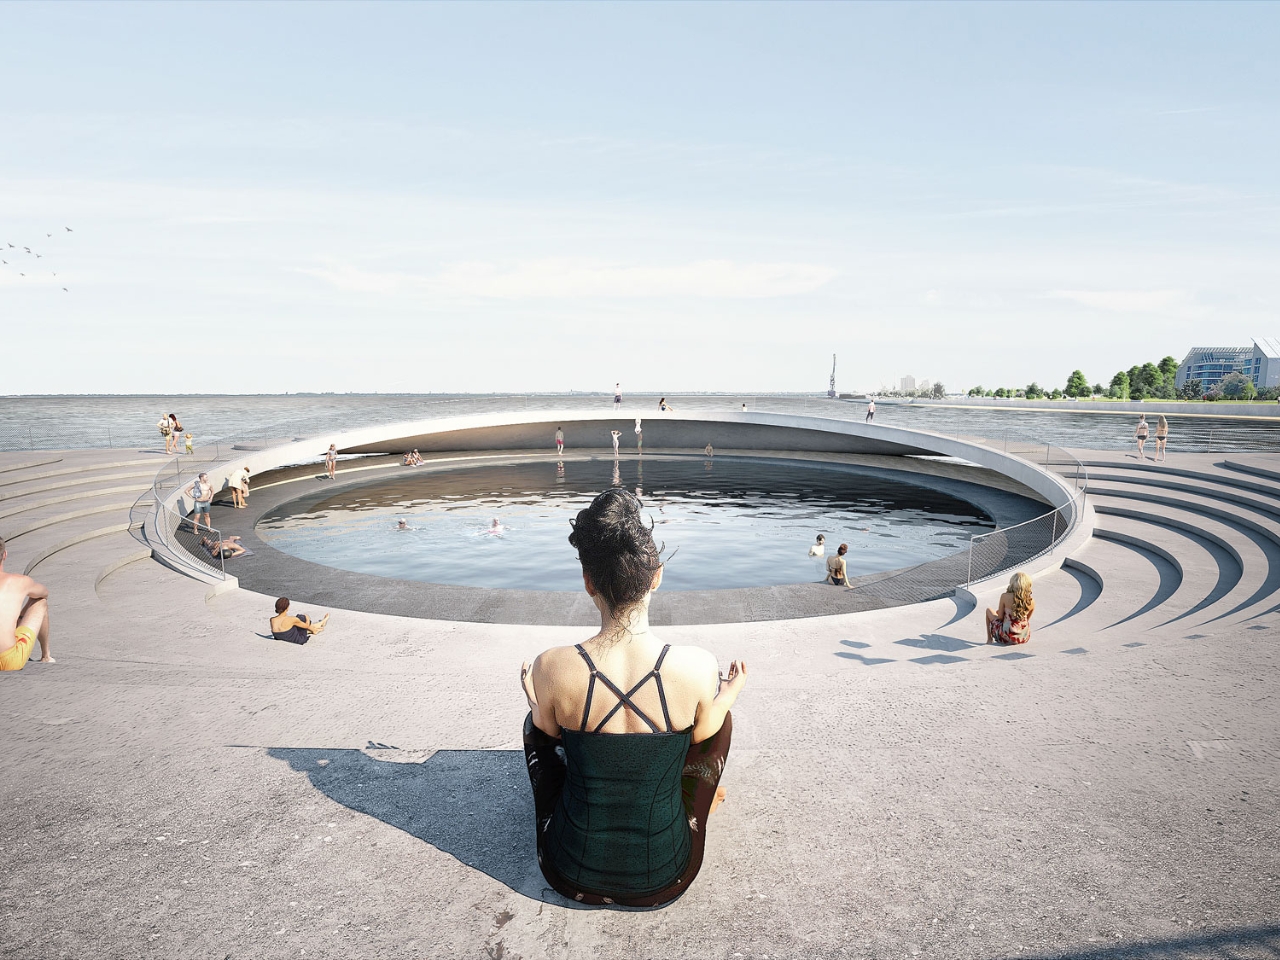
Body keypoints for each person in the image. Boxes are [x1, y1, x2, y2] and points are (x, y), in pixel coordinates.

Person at [520, 488, 746, 907]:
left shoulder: (551, 665)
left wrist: (536, 702)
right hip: (665, 873)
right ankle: (697, 801)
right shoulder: (695, 664)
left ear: (589, 583)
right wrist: (729, 694)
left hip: (568, 871)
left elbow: (546, 734)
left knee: (535, 724)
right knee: (717, 720)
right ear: (656, 575)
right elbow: (706, 733)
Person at [0, 536, 54, 670]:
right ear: (5, 555)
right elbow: (44, 593)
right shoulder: (19, 581)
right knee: (40, 602)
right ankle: (46, 655)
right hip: (8, 660)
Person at [985, 572, 1035, 645]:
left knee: (988, 610)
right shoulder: (1031, 601)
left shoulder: (1005, 596)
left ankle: (989, 639)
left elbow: (1000, 617)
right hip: (1023, 637)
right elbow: (1026, 619)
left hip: (1006, 636)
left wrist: (1003, 613)